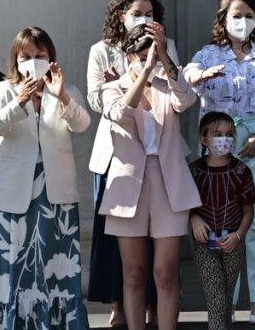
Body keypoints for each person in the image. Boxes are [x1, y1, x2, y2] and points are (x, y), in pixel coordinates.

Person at [184, 0, 255, 324]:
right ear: (223, 20)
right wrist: (198, 77)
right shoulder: (207, 55)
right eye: (235, 15)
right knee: (220, 220)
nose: (242, 21)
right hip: (220, 141)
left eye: (247, 15)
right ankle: (224, 303)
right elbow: (186, 78)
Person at [0, 26, 91, 328]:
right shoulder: (1, 90)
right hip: (12, 192)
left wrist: (62, 98)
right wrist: (19, 101)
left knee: (53, 265)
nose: (32, 61)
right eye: (26, 57)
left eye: (39, 56)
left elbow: (82, 125)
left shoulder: (67, 90)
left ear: (51, 58)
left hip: (55, 190)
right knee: (12, 266)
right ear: (15, 60)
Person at [99, 25, 201, 330]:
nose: (150, 62)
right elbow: (119, 114)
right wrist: (142, 74)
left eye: (154, 56)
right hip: (128, 184)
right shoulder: (113, 86)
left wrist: (166, 62)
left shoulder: (169, 82)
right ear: (129, 56)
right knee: (133, 272)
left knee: (165, 271)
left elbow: (186, 101)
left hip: (168, 179)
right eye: (144, 56)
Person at [87, 0, 177, 325]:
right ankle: (119, 309)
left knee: (162, 256)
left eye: (149, 13)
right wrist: (125, 82)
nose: (143, 18)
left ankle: (157, 310)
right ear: (121, 16)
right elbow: (100, 101)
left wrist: (159, 60)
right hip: (118, 156)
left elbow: (177, 90)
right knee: (123, 252)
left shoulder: (168, 47)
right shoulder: (101, 50)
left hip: (161, 156)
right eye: (136, 13)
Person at [189, 111, 255, 330]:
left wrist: (238, 236)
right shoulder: (195, 171)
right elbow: (184, 204)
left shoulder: (242, 171)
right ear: (204, 139)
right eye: (217, 134)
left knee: (226, 299)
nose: (224, 139)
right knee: (216, 296)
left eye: (229, 134)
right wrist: (194, 218)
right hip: (203, 244)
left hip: (232, 243)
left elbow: (248, 211)